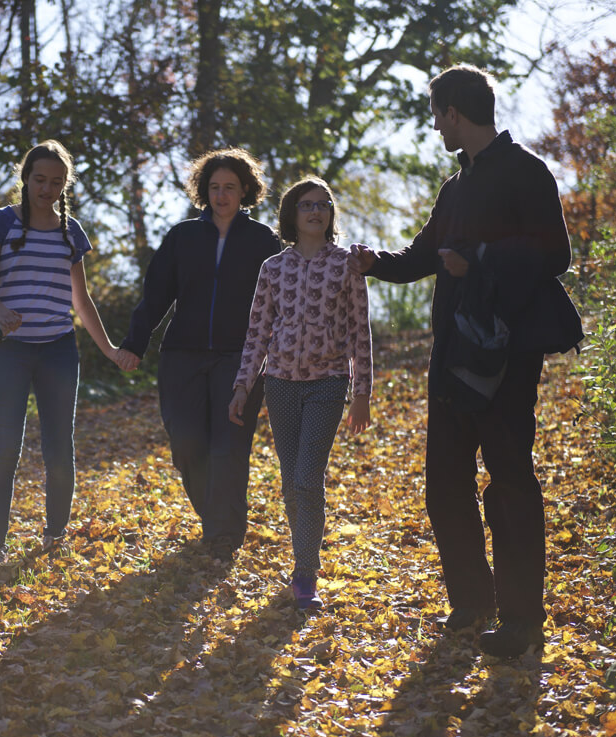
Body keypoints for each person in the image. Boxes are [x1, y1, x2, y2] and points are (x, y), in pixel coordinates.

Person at [348, 64, 583, 657]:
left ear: (454, 111)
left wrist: (479, 256)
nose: (434, 127)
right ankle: (472, 604)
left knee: (508, 482)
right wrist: (374, 262)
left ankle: (522, 620)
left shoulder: (526, 171)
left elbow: (556, 253)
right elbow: (424, 255)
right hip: (451, 355)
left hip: (509, 354)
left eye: (436, 115)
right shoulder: (455, 187)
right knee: (444, 485)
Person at [118, 147, 280, 564]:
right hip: (182, 356)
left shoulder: (263, 240)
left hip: (239, 359)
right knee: (187, 444)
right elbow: (155, 294)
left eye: (229, 187)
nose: (221, 195)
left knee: (229, 447)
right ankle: (218, 517)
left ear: (245, 190)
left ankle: (223, 536)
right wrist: (135, 343)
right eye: (214, 187)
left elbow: (281, 302)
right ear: (203, 192)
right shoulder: (183, 237)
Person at [0, 139, 132, 564]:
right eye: (39, 180)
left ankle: (54, 534)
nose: (46, 189)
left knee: (58, 444)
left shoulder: (71, 232)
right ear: (25, 180)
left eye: (56, 182)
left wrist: (109, 349)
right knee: (5, 443)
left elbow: (80, 301)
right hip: (8, 349)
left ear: (65, 186)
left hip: (58, 350)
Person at [228, 177, 372, 609]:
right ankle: (301, 560)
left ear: (330, 216)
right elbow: (256, 332)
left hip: (328, 383)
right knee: (292, 484)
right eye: (307, 205)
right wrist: (242, 386)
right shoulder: (273, 268)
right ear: (292, 214)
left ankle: (306, 572)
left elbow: (359, 330)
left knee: (309, 478)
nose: (316, 211)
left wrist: (361, 391)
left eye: (324, 205)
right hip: (281, 384)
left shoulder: (346, 264)